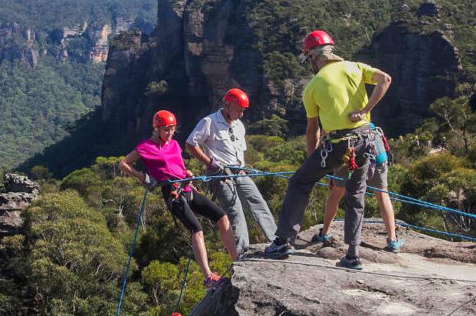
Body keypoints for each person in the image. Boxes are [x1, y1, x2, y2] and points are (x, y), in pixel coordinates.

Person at [265, 30, 391, 270]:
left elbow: (312, 130)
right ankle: (352, 256)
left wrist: (312, 159)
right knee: (356, 195)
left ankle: (283, 241)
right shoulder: (355, 67)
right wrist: (365, 111)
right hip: (365, 140)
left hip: (337, 145)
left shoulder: (312, 87)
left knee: (300, 182)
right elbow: (385, 79)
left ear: (312, 57)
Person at [118, 110, 238, 290]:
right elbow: (123, 164)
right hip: (172, 194)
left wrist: (187, 173)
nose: (170, 133)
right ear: (156, 128)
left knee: (222, 216)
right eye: (166, 129)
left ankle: (237, 260)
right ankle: (208, 277)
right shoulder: (145, 147)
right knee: (196, 229)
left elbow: (179, 165)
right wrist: (142, 177)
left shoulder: (174, 145)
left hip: (187, 187)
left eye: (172, 129)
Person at [186, 88, 277, 255]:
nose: (241, 114)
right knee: (234, 210)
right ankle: (242, 251)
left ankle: (276, 240)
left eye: (243, 111)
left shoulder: (239, 126)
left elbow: (239, 152)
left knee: (258, 202)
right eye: (238, 110)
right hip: (220, 175)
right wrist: (210, 163)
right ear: (227, 105)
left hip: (239, 171)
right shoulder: (209, 122)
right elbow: (191, 143)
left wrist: (242, 169)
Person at [315, 123, 404, 252]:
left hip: (347, 147)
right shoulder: (360, 107)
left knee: (337, 192)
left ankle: (325, 233)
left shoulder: (332, 113)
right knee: (382, 194)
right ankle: (392, 240)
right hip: (373, 145)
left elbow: (325, 132)